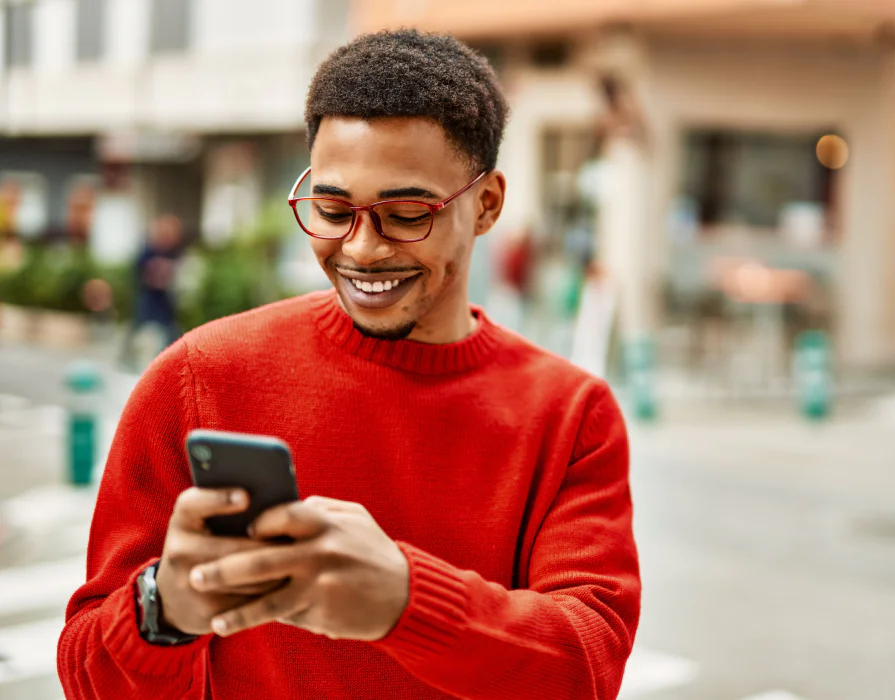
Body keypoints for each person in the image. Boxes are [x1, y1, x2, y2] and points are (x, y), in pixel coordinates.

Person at [59, 29, 640, 700]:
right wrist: (164, 611)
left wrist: (407, 602)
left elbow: (588, 667)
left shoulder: (570, 414)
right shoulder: (199, 375)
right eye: (333, 209)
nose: (361, 249)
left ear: (486, 205)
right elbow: (87, 673)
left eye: (404, 213)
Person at [120, 213, 184, 368]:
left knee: (170, 331)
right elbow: (141, 273)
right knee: (138, 326)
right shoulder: (148, 251)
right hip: (148, 300)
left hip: (164, 303)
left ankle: (173, 362)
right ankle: (127, 358)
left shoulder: (174, 253)